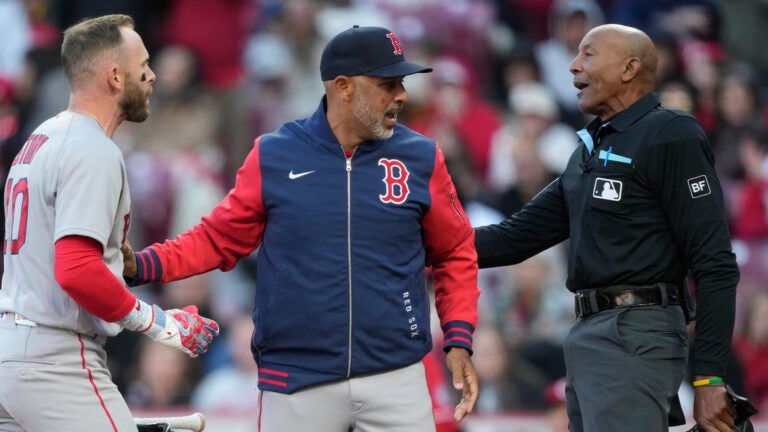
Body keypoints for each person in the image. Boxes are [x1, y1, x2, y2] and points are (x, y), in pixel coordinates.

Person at [123, 25, 480, 432]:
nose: (402, 94)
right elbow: (217, 239)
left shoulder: (421, 156)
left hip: (396, 373)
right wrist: (144, 265)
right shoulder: (276, 154)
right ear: (343, 87)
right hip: (296, 377)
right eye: (388, 83)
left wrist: (457, 338)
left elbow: (456, 251)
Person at [474, 23, 739, 431]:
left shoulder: (671, 134)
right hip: (586, 337)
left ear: (630, 68)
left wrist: (709, 376)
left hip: (636, 333)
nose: (573, 66)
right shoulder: (590, 148)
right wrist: (414, 239)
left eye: (588, 54)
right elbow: (513, 238)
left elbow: (715, 263)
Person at [0, 15, 219, 431]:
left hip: (11, 351)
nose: (153, 76)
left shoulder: (40, 137)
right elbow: (77, 270)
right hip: (56, 357)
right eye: (144, 65)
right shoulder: (91, 148)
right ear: (116, 76)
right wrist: (162, 324)